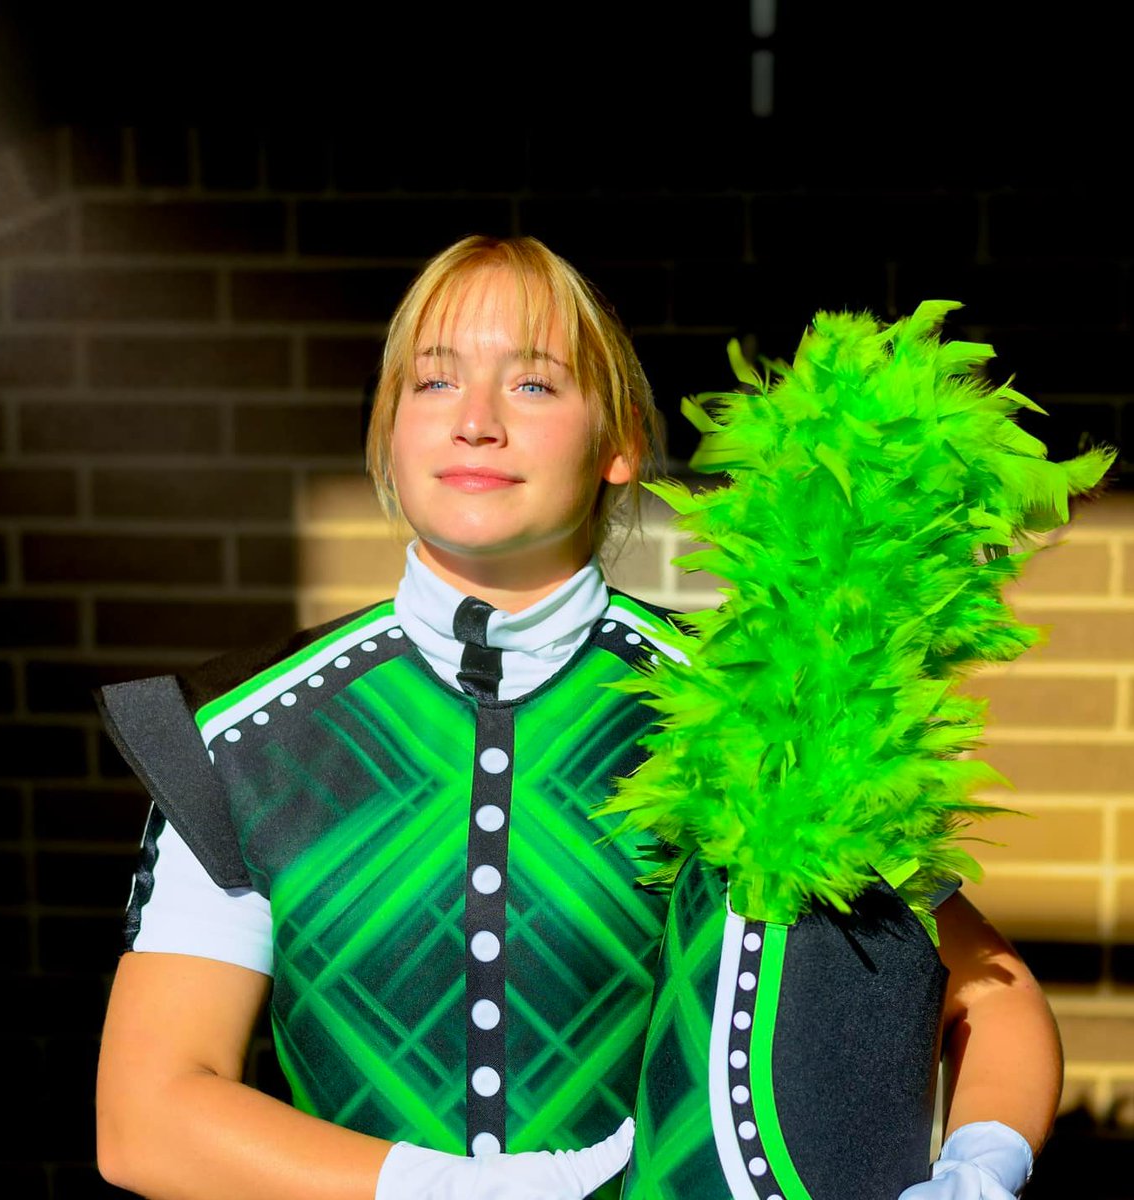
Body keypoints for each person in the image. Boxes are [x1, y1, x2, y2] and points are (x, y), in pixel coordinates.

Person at [94, 234, 1062, 1200]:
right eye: (432, 384)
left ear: (620, 443)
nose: (475, 422)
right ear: (388, 432)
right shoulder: (241, 733)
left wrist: (978, 1172)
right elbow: (150, 1119)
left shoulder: (764, 706)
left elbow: (991, 995)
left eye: (534, 385)